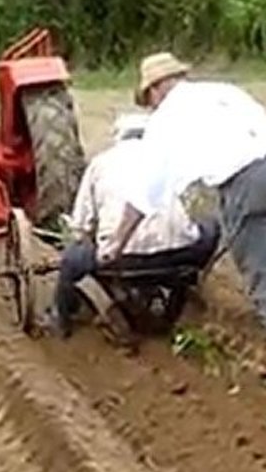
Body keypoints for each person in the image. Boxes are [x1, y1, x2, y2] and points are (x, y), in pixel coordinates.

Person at [103, 52, 266, 427]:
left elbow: (145, 192)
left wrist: (117, 243)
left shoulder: (166, 118)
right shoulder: (226, 92)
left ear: (155, 89)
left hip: (244, 184)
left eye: (148, 96)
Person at [48, 112, 220, 338]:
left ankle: (61, 316)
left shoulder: (101, 163)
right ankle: (186, 285)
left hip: (121, 258)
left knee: (72, 258)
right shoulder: (170, 160)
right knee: (211, 226)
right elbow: (192, 202)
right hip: (180, 255)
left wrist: (92, 236)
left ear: (119, 137)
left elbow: (80, 226)